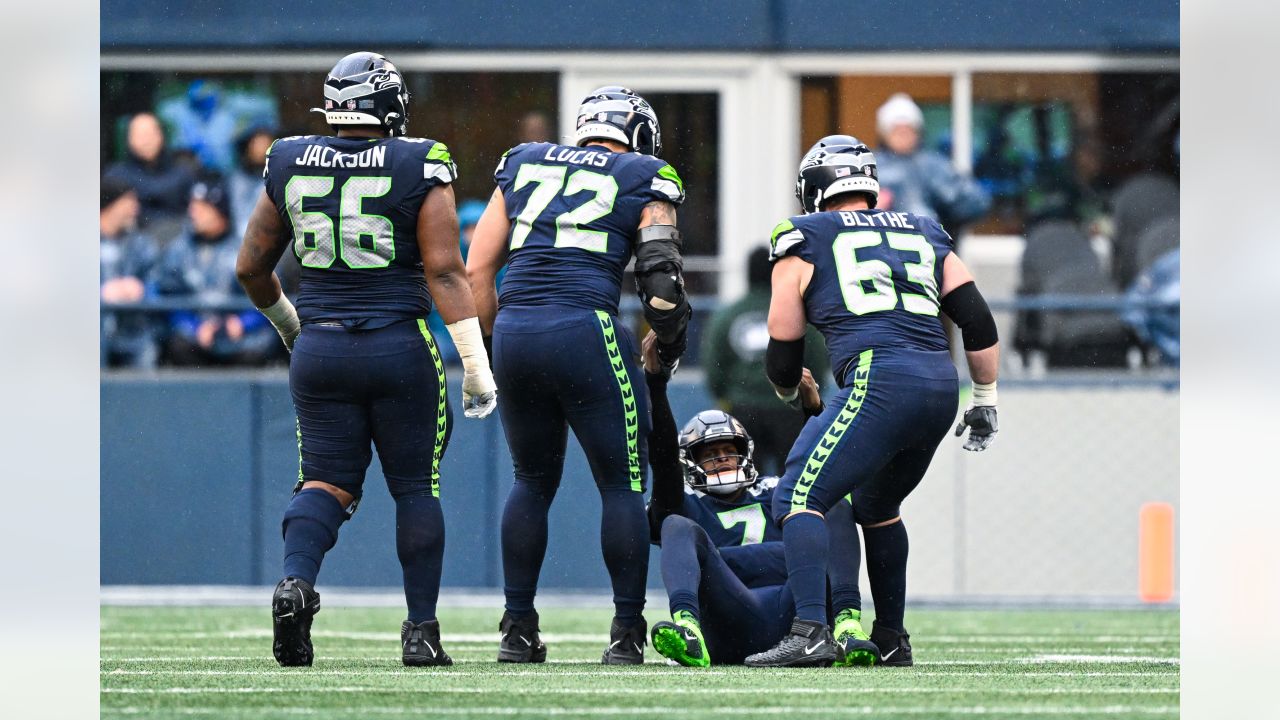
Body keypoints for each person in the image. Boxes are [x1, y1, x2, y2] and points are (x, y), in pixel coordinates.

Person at [234, 51, 497, 668]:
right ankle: (421, 632)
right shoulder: (418, 160)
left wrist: (292, 326)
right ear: (390, 106)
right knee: (414, 486)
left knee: (324, 480)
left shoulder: (289, 157)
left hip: (321, 346)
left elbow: (250, 267)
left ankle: (296, 583)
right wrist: (477, 367)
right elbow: (444, 270)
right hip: (398, 345)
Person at [745, 135, 1001, 668]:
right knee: (879, 508)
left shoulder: (802, 235)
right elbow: (976, 319)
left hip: (877, 377)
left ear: (813, 189)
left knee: (796, 496)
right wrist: (985, 396)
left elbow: (783, 340)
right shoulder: (924, 229)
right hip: (939, 382)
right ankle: (890, 638)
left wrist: (791, 389)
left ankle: (811, 630)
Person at [467, 86, 692, 665]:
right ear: (637, 136)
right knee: (621, 484)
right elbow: (662, 287)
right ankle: (625, 631)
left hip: (516, 326)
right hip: (585, 327)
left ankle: (517, 628)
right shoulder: (644, 173)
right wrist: (669, 342)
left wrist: (495, 345)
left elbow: (477, 269)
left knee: (530, 480)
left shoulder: (524, 160)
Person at [641, 333, 878, 667]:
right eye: (709, 454)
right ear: (690, 462)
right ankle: (688, 630)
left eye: (729, 450)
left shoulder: (774, 490)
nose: (722, 458)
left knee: (833, 504)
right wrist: (655, 384)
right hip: (728, 620)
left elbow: (825, 469)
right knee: (675, 525)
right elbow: (662, 459)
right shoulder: (687, 502)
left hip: (795, 615)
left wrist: (813, 409)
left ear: (746, 454)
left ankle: (846, 625)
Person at [702, 246, 831, 476]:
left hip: (743, 410)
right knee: (793, 481)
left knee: (746, 485)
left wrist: (729, 398)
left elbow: (715, 369)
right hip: (789, 411)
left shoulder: (728, 315)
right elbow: (817, 363)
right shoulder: (798, 314)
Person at [152, 176, 281, 366]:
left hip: (242, 337)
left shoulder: (247, 247)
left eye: (202, 208)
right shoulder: (178, 250)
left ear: (220, 212)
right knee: (176, 343)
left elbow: (271, 298)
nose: (193, 213)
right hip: (195, 337)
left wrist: (242, 323)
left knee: (263, 343)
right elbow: (166, 297)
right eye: (193, 207)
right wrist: (194, 326)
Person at [873, 93, 990, 232]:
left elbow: (978, 203)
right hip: (882, 249)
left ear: (918, 131)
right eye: (897, 130)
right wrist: (871, 207)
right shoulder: (870, 166)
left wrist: (950, 200)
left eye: (907, 130)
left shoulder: (935, 166)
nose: (903, 136)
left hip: (933, 248)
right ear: (884, 133)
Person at [103, 112, 196, 239]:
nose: (146, 140)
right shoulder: (115, 176)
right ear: (128, 139)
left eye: (151, 134)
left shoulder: (183, 173)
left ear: (161, 136)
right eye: (140, 135)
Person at [100, 177, 161, 368]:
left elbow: (156, 282)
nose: (135, 208)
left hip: (133, 332)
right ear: (111, 204)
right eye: (129, 202)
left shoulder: (142, 244)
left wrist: (141, 288)